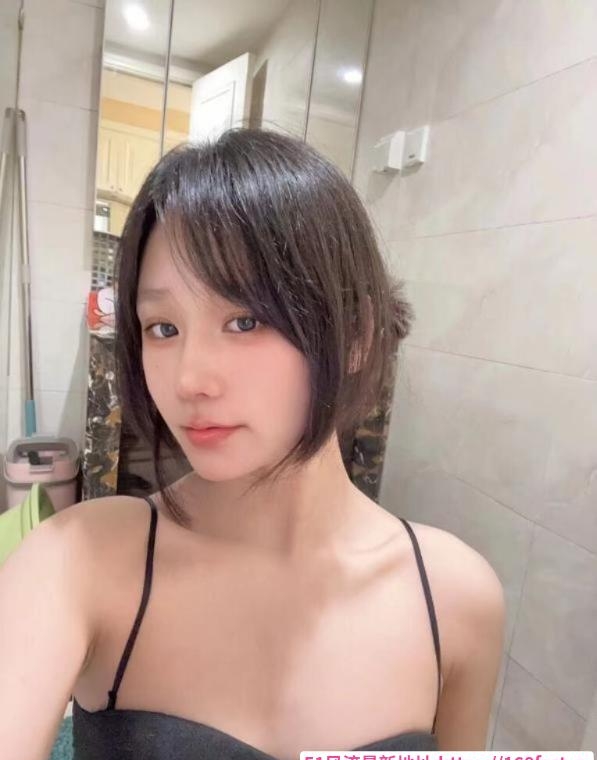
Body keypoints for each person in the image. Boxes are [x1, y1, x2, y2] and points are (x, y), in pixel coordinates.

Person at [0, 128, 505, 760]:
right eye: (163, 327)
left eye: (245, 320)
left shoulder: (456, 599)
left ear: (356, 335)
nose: (189, 379)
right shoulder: (79, 562)